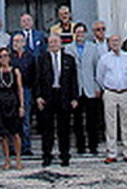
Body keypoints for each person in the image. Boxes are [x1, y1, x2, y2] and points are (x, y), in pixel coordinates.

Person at [36, 33, 79, 167]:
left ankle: (64, 155)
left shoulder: (69, 59)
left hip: (64, 95)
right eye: (51, 42)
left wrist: (74, 97)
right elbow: (37, 79)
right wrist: (38, 97)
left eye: (55, 42)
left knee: (64, 128)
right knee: (47, 128)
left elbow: (74, 80)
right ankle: (47, 155)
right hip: (48, 96)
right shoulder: (42, 59)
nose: (53, 44)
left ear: (61, 43)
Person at [96, 34, 127, 164]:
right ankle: (111, 153)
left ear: (121, 42)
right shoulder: (104, 59)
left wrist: (126, 85)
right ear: (109, 43)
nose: (115, 43)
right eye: (112, 41)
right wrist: (107, 88)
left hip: (125, 92)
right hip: (110, 93)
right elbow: (99, 76)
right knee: (110, 124)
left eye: (117, 41)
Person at [66, 22, 101, 155]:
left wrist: (98, 87)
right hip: (76, 89)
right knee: (77, 120)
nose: (80, 35)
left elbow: (97, 68)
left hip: (90, 87)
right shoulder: (69, 48)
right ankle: (80, 146)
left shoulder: (93, 48)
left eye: (82, 32)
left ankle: (93, 145)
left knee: (92, 119)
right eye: (77, 32)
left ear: (85, 34)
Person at [0, 47, 25, 169]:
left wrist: (22, 106)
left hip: (13, 103)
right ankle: (7, 159)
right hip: (1, 104)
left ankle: (18, 159)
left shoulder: (15, 71)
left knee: (16, 133)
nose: (4, 58)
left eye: (6, 56)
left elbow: (20, 88)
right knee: (4, 135)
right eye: (1, 56)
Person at [10, 32, 36, 155]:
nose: (17, 44)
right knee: (11, 118)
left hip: (26, 89)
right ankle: (12, 147)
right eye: (15, 41)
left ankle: (26, 146)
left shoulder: (30, 56)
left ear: (24, 43)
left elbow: (34, 73)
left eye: (19, 41)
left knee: (25, 118)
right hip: (11, 90)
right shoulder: (9, 57)